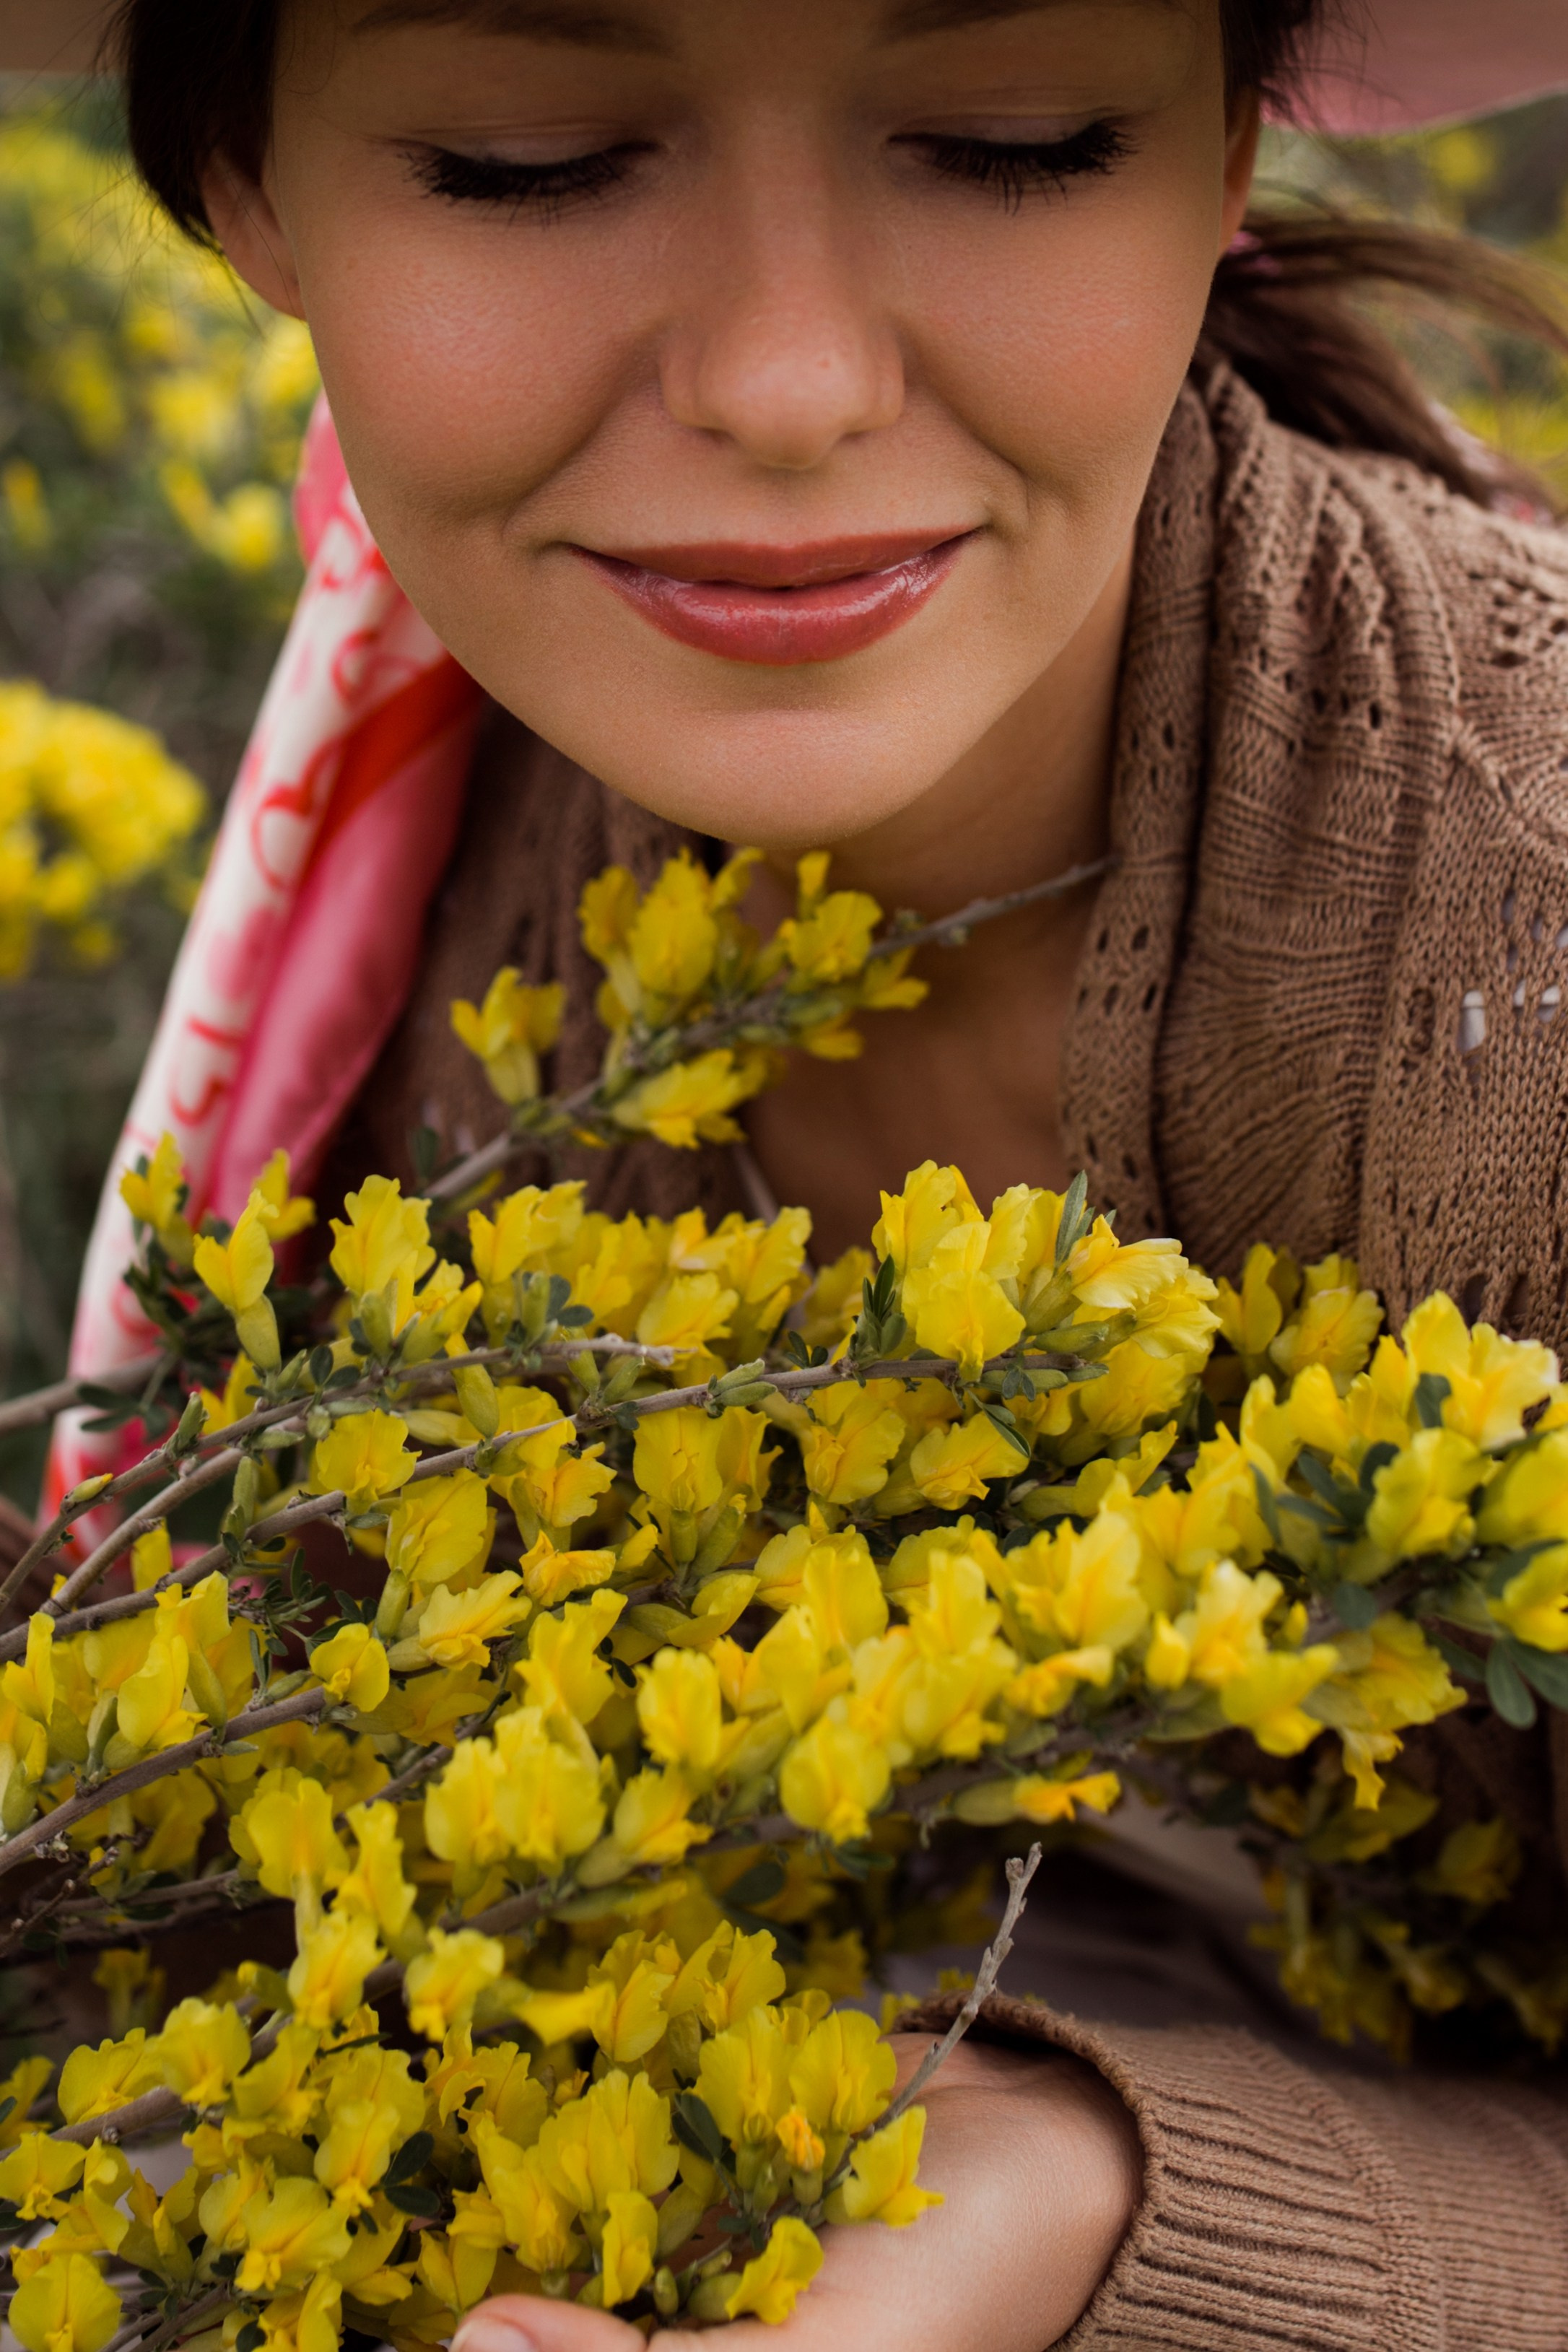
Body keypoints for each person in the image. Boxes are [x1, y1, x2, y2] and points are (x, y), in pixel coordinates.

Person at [12, 0, 1568, 2345]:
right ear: (242, 201)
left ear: (1222, 152)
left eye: (1015, 138)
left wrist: (1076, 2211)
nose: (788, 381)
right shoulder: (439, 853)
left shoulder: (1502, 941)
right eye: (525, 161)